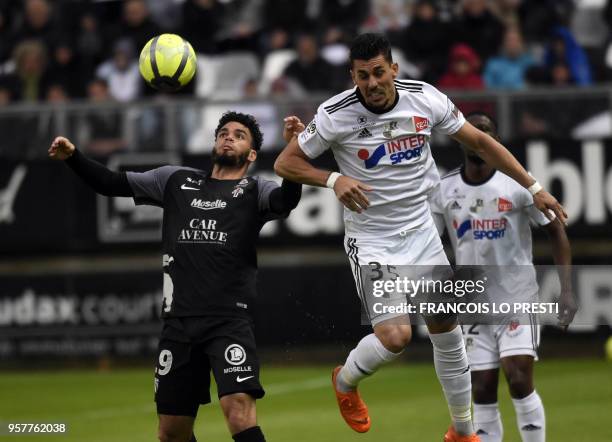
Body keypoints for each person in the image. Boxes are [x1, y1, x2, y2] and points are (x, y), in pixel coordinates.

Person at [274, 33, 566, 442]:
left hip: (423, 234)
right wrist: (333, 178)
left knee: (447, 330)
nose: (372, 83)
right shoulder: (334, 114)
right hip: (373, 238)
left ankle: (463, 432)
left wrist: (534, 189)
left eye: (379, 72)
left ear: (394, 69)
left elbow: (481, 141)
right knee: (396, 337)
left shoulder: (425, 98)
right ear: (352, 77)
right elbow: (285, 162)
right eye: (362, 76)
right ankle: (345, 382)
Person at [48, 111, 303, 442]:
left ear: (252, 154)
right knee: (171, 432)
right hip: (178, 324)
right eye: (223, 132)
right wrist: (74, 158)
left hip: (227, 321)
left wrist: (296, 149)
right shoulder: (175, 180)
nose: (228, 137)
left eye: (239, 135)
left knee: (239, 412)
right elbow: (111, 183)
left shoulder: (255, 190)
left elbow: (287, 200)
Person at [429, 112, 576, 442]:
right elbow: (431, 242)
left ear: (494, 140)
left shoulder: (518, 184)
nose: (479, 135)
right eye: (474, 130)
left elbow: (556, 230)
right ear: (461, 138)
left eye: (486, 130)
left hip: (516, 296)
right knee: (480, 389)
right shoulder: (444, 189)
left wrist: (567, 289)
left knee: (519, 377)